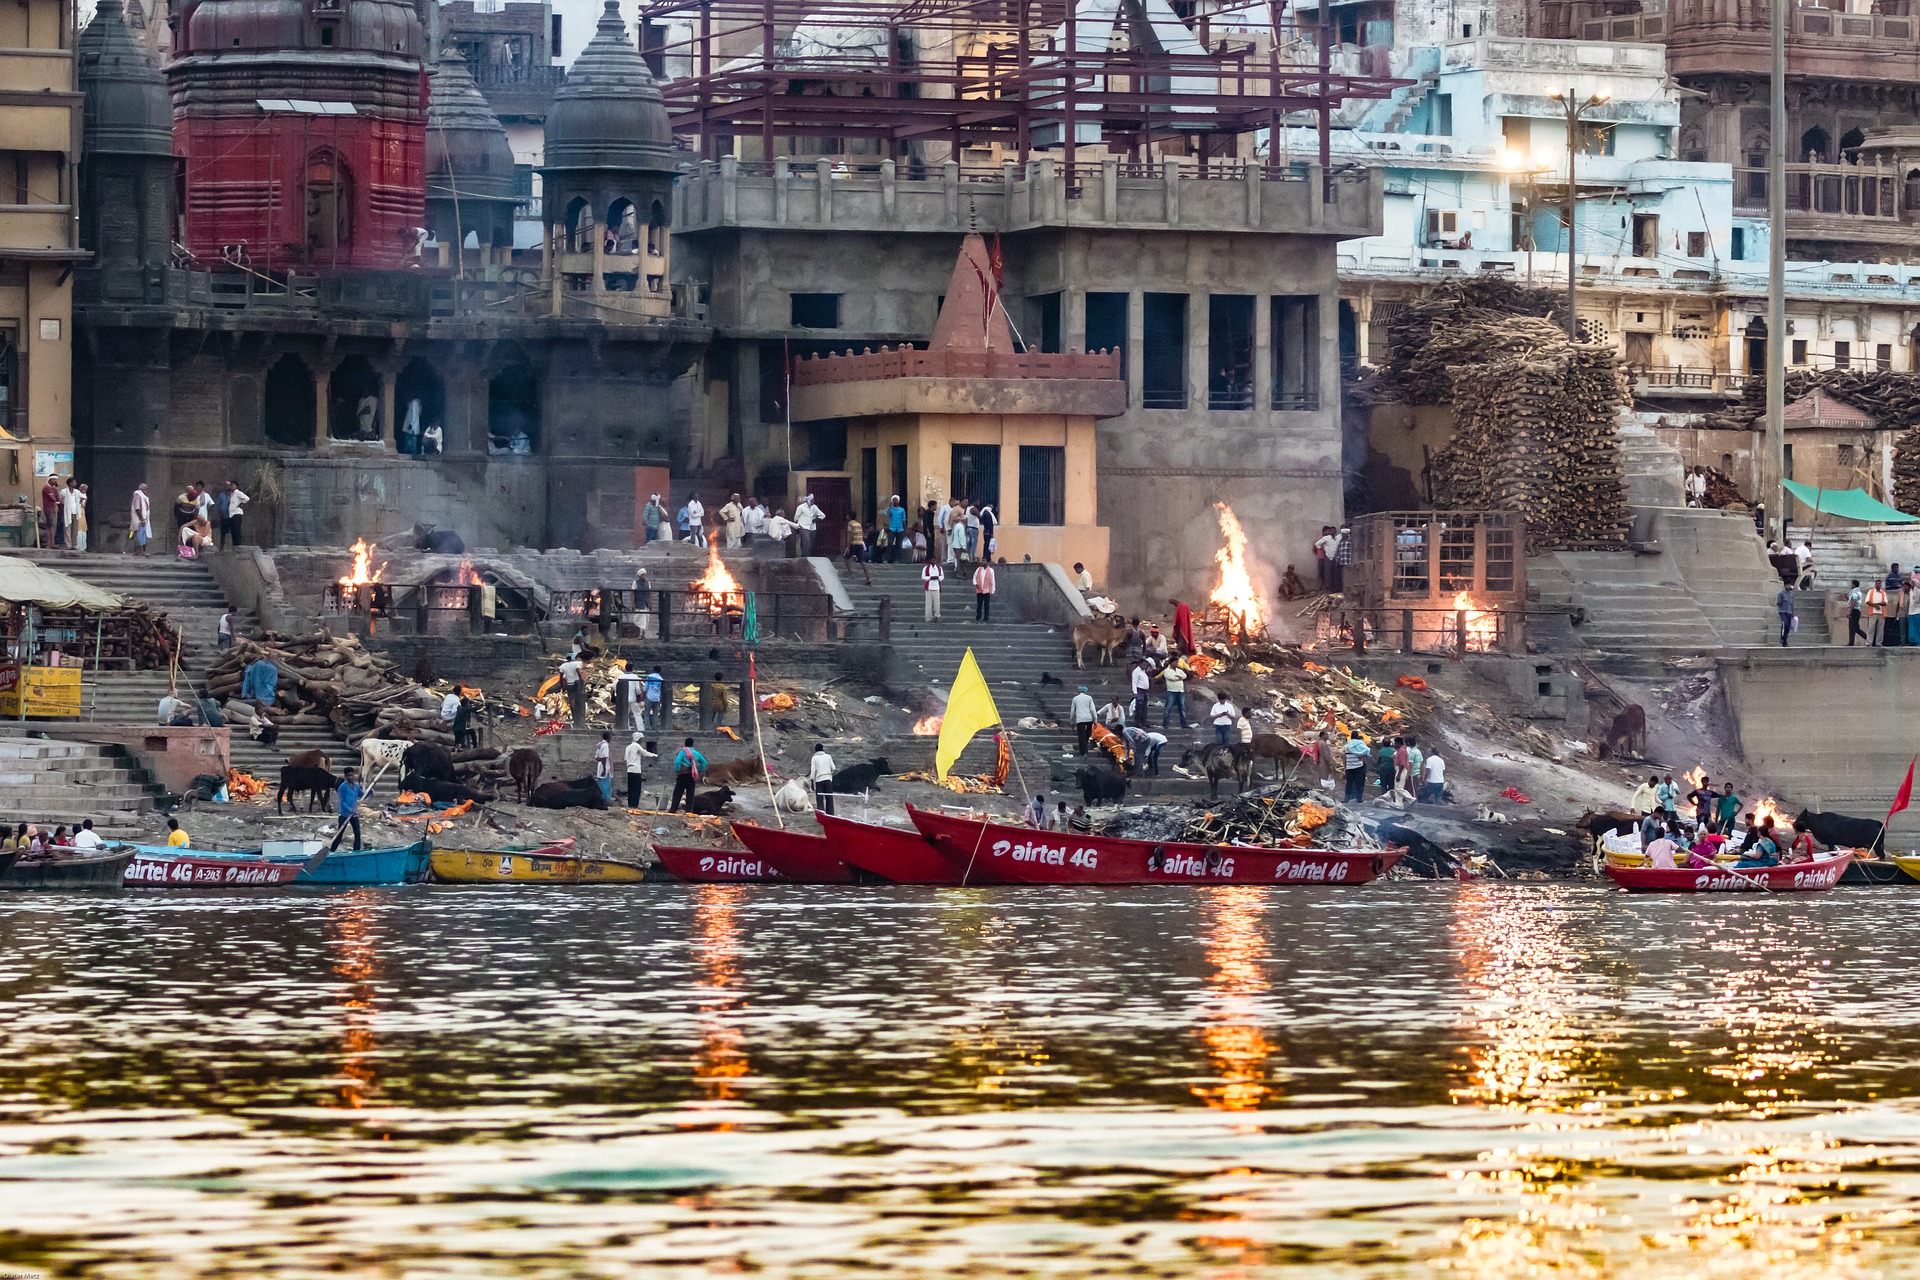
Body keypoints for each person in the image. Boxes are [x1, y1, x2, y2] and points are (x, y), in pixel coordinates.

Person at [328, 768, 364, 852]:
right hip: (344, 814)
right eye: (348, 776)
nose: (350, 777)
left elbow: (361, 795)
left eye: (351, 775)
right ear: (345, 776)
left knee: (357, 833)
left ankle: (356, 850)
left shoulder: (356, 786)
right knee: (340, 833)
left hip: (354, 814)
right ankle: (332, 850)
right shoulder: (343, 787)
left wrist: (370, 792)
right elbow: (342, 801)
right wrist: (349, 809)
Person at [670, 738, 706, 812]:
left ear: (685, 744)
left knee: (678, 793)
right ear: (692, 744)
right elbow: (704, 763)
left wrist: (678, 770)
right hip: (692, 775)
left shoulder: (683, 752)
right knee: (690, 794)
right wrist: (699, 770)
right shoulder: (696, 753)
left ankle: (673, 809)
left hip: (683, 775)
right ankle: (689, 810)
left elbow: (677, 762)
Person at [624, 733, 655, 808]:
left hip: (629, 769)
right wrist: (654, 755)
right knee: (636, 788)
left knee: (631, 788)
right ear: (638, 739)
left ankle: (630, 804)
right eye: (641, 739)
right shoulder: (636, 746)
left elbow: (625, 758)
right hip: (636, 770)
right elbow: (644, 753)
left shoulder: (628, 747)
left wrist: (629, 764)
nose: (641, 741)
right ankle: (635, 804)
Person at [807, 742, 836, 816]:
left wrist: (812, 781)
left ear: (815, 750)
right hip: (828, 780)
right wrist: (829, 774)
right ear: (822, 749)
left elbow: (813, 772)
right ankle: (831, 815)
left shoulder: (814, 758)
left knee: (820, 799)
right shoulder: (828, 756)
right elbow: (833, 768)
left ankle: (821, 816)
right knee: (829, 798)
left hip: (819, 780)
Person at [559, 653, 585, 727]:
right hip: (576, 684)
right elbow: (579, 674)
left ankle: (574, 716)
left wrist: (562, 687)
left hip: (569, 685)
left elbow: (560, 678)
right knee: (578, 700)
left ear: (566, 658)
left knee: (572, 700)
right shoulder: (575, 665)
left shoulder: (563, 666)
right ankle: (579, 716)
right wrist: (582, 683)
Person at [222, 480, 250, 547]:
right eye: (230, 485)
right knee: (233, 530)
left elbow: (247, 498)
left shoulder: (238, 492)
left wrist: (241, 504)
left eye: (232, 485)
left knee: (237, 529)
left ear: (236, 486)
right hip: (232, 514)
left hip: (237, 513)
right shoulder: (232, 494)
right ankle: (235, 545)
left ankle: (238, 544)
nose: (231, 486)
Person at [1344, 732, 1370, 803]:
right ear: (1357, 736)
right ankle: (1359, 799)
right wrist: (1362, 755)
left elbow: (1344, 757)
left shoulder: (1347, 745)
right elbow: (1367, 751)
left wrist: (1345, 767)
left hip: (1349, 767)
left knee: (1349, 783)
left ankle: (1346, 799)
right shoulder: (1360, 744)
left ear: (1351, 737)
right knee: (1359, 783)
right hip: (1359, 766)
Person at [1070, 685, 1097, 755]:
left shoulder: (1075, 699)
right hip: (1088, 718)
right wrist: (1095, 720)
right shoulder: (1089, 698)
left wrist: (1072, 721)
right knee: (1087, 734)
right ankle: (1084, 750)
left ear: (1078, 691)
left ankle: (1084, 751)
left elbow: (1072, 711)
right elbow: (1093, 710)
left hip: (1080, 719)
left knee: (1081, 736)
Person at [1161, 662, 1188, 729]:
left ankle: (1183, 724)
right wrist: (1179, 677)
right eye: (1175, 662)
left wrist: (1179, 677)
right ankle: (1165, 723)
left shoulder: (1179, 670)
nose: (1176, 664)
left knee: (1182, 708)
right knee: (1168, 708)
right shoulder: (1167, 671)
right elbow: (1172, 678)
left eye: (1177, 662)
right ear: (1171, 663)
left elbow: (1185, 676)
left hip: (1180, 691)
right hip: (1171, 691)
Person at [1313, 526, 1338, 592]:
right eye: (1330, 531)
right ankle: (1324, 588)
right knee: (1324, 574)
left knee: (1332, 573)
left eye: (1333, 531)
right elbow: (1315, 546)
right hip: (1323, 558)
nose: (1331, 532)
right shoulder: (1323, 538)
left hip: (1331, 558)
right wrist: (1321, 550)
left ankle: (1332, 588)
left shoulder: (1335, 539)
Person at [129, 483, 152, 555]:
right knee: (140, 535)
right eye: (147, 489)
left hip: (143, 519)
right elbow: (137, 508)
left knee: (141, 534)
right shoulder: (138, 496)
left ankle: (138, 551)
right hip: (139, 519)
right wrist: (141, 519)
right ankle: (142, 551)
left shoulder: (144, 497)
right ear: (142, 490)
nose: (148, 491)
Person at [592, 732, 614, 804]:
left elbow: (597, 757)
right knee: (605, 784)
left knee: (602, 783)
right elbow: (604, 758)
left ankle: (603, 798)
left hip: (600, 765)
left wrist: (601, 760)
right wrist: (604, 769)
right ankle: (605, 799)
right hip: (605, 767)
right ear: (608, 738)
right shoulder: (605, 746)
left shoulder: (600, 745)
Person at [1867, 576, 1888, 646]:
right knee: (1871, 628)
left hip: (1881, 613)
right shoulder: (1871, 592)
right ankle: (1869, 643)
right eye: (1877, 584)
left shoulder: (1883, 593)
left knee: (1880, 629)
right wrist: (1875, 605)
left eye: (1879, 584)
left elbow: (1885, 602)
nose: (1878, 585)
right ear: (1875, 584)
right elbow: (1867, 601)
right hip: (1873, 612)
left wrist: (1878, 604)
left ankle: (1878, 643)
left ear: (1881, 585)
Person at [643, 666, 665, 732]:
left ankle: (647, 727)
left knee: (647, 713)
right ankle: (655, 727)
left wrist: (643, 695)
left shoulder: (650, 677)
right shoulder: (661, 679)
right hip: (657, 698)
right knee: (655, 714)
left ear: (653, 670)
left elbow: (645, 687)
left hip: (649, 696)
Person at [1848, 579, 1866, 647]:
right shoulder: (1858, 592)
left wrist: (1850, 611)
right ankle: (1867, 638)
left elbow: (1854, 602)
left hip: (1854, 611)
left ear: (1854, 585)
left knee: (1852, 628)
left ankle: (1851, 643)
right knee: (1856, 628)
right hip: (1857, 610)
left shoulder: (1854, 592)